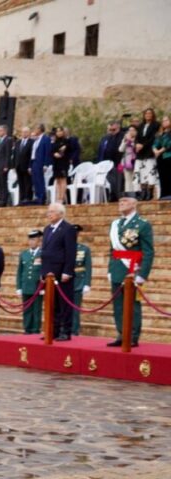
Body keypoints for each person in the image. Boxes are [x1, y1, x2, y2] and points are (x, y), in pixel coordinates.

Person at [107, 197, 154, 347]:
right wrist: (110, 269)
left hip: (132, 268)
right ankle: (121, 333)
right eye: (120, 201)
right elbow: (112, 250)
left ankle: (132, 335)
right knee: (118, 305)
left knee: (133, 304)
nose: (121, 204)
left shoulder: (142, 224)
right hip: (117, 267)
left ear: (134, 204)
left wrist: (142, 274)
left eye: (125, 201)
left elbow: (148, 252)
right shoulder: (116, 224)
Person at [39, 203, 77, 341]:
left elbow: (70, 252)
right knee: (52, 303)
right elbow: (45, 252)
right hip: (49, 272)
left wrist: (67, 271)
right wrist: (43, 272)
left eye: (52, 212)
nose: (49, 214)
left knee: (64, 304)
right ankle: (53, 330)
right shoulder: (47, 229)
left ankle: (65, 331)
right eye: (48, 211)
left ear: (61, 213)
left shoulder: (68, 229)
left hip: (61, 272)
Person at [16, 230, 44, 334]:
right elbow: (20, 271)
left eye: (34, 240)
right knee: (26, 309)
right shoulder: (24, 254)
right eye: (30, 240)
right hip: (26, 285)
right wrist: (19, 287)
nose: (31, 242)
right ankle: (27, 329)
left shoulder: (43, 253)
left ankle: (35, 329)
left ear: (39, 241)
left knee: (36, 309)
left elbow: (45, 271)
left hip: (37, 287)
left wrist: (44, 287)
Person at [71, 225, 92, 336]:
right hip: (65, 281)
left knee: (75, 308)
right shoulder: (63, 248)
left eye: (76, 233)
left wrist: (87, 283)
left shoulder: (84, 249)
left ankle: (74, 330)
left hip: (78, 281)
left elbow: (88, 267)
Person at [135, 108, 159, 201]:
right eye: (146, 113)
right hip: (140, 153)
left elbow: (153, 138)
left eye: (150, 113)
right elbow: (137, 137)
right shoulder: (141, 125)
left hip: (149, 151)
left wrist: (143, 145)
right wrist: (137, 144)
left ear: (152, 115)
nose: (148, 115)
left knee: (150, 171)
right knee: (141, 172)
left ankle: (150, 192)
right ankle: (143, 192)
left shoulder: (156, 125)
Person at [96, 121, 124, 201]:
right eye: (109, 130)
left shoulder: (121, 137)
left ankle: (117, 197)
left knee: (118, 181)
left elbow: (119, 150)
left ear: (118, 128)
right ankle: (110, 196)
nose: (111, 132)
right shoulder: (104, 138)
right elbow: (100, 151)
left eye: (113, 130)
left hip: (117, 163)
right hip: (104, 164)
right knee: (108, 180)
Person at [0, 125, 14, 207]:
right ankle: (0, 198)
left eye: (0, 130)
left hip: (3, 166)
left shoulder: (8, 140)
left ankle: (4, 199)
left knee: (3, 183)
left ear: (5, 131)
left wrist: (6, 165)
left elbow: (8, 154)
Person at [30, 123, 52, 206]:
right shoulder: (36, 139)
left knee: (40, 180)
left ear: (40, 129)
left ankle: (42, 198)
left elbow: (47, 152)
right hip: (34, 161)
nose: (35, 130)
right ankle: (37, 196)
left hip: (41, 162)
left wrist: (45, 164)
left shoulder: (46, 139)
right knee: (35, 180)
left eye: (36, 129)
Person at [51, 127, 71, 204]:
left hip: (63, 163)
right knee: (58, 180)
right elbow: (52, 151)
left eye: (60, 131)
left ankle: (61, 198)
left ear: (63, 132)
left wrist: (60, 153)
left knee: (63, 179)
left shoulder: (66, 141)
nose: (59, 133)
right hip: (56, 163)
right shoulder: (54, 142)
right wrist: (54, 154)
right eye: (57, 131)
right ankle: (58, 197)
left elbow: (65, 149)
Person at [15, 127, 34, 205]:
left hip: (27, 166)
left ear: (29, 133)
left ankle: (28, 198)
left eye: (26, 132)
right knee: (21, 183)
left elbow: (32, 155)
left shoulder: (32, 142)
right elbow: (15, 154)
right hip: (18, 166)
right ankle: (21, 198)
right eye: (23, 132)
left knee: (27, 183)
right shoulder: (18, 142)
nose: (24, 133)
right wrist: (14, 165)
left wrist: (30, 166)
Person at [154, 116, 171, 200]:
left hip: (169, 156)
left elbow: (169, 144)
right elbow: (155, 144)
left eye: (166, 120)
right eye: (163, 121)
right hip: (161, 158)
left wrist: (159, 151)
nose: (164, 122)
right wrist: (155, 150)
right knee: (162, 176)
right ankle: (164, 194)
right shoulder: (160, 134)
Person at [119, 126, 139, 199]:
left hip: (135, 161)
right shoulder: (125, 139)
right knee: (127, 180)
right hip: (127, 162)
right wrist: (125, 141)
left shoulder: (138, 139)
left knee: (136, 179)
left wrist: (132, 141)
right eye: (129, 130)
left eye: (133, 130)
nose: (131, 132)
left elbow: (136, 148)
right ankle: (128, 195)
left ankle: (136, 195)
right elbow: (120, 149)